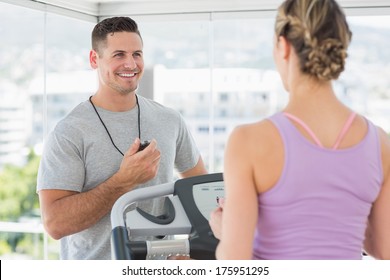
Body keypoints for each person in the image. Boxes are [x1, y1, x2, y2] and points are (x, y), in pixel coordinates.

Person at [210, 0, 390, 260]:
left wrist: (226, 231)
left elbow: (236, 263)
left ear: (283, 46)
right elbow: (384, 251)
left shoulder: (248, 141)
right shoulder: (380, 143)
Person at [36, 16, 207, 260]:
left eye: (137, 54)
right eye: (119, 55)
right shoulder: (70, 132)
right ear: (95, 59)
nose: (131, 63)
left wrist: (191, 253)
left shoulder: (169, 120)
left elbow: (204, 193)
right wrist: (123, 181)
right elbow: (55, 224)